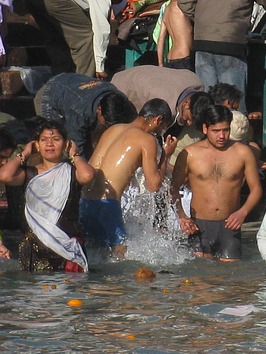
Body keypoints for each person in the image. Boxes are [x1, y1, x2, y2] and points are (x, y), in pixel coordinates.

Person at [0, 118, 94, 272]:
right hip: (35, 249)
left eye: (56, 139)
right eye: (44, 140)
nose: (49, 144)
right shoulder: (29, 173)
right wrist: (24, 153)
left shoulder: (71, 172)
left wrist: (74, 154)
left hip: (67, 249)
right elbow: (4, 175)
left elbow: (88, 175)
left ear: (66, 144)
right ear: (36, 145)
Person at [82, 98, 174, 255]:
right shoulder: (147, 140)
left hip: (84, 202)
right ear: (158, 119)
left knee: (91, 257)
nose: (160, 133)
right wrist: (166, 155)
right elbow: (153, 185)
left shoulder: (113, 129)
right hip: (108, 205)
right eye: (162, 128)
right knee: (119, 260)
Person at [172, 104, 263, 260]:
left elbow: (256, 189)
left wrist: (243, 212)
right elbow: (173, 188)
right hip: (199, 226)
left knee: (231, 279)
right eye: (216, 131)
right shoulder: (189, 154)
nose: (222, 136)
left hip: (229, 225)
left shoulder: (243, 153)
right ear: (205, 128)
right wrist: (182, 216)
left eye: (226, 130)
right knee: (200, 279)